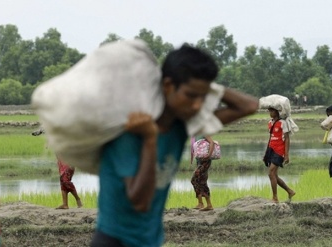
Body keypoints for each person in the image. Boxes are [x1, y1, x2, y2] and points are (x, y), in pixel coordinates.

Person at [90, 44, 259, 247]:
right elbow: (140, 202)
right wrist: (150, 141)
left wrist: (206, 85)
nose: (197, 105)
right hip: (115, 242)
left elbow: (248, 106)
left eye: (202, 97)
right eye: (190, 95)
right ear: (168, 85)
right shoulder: (129, 133)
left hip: (151, 240)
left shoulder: (179, 126)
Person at [264, 108, 296, 203]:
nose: (270, 113)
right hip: (271, 150)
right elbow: (270, 138)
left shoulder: (283, 123)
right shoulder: (270, 123)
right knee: (274, 175)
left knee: (271, 173)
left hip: (279, 151)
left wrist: (286, 155)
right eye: (269, 111)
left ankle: (275, 197)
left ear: (277, 112)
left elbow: (286, 139)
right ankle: (290, 191)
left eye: (272, 111)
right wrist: (266, 153)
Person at [190, 135, 214, 211]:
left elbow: (212, 143)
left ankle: (204, 204)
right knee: (200, 181)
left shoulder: (204, 131)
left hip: (206, 160)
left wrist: (209, 155)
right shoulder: (193, 136)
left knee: (194, 179)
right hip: (199, 161)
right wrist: (192, 159)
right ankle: (202, 204)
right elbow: (193, 149)